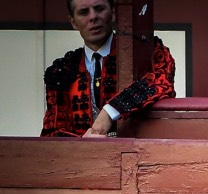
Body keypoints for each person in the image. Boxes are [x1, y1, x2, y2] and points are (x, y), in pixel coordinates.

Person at [42, 0, 175, 137]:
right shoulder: (61, 70)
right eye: (83, 12)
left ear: (112, 13)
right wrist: (82, 143)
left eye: (99, 9)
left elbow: (161, 81)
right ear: (73, 22)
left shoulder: (147, 52)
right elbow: (52, 133)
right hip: (82, 156)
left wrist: (111, 111)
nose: (93, 17)